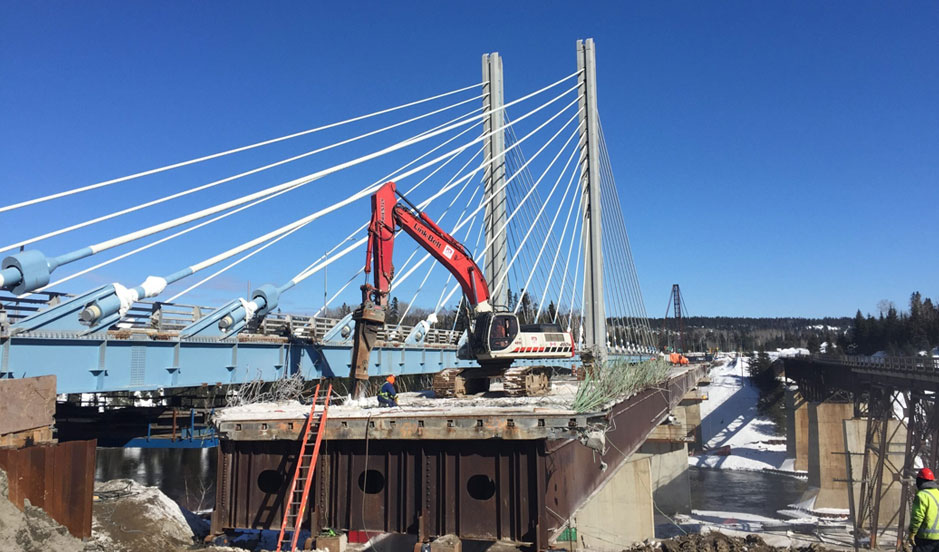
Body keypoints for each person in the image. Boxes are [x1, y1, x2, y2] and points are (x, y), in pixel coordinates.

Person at [909, 467, 939, 552]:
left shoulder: (921, 495)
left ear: (920, 481)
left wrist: (912, 532)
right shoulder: (938, 493)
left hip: (925, 539)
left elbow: (917, 517)